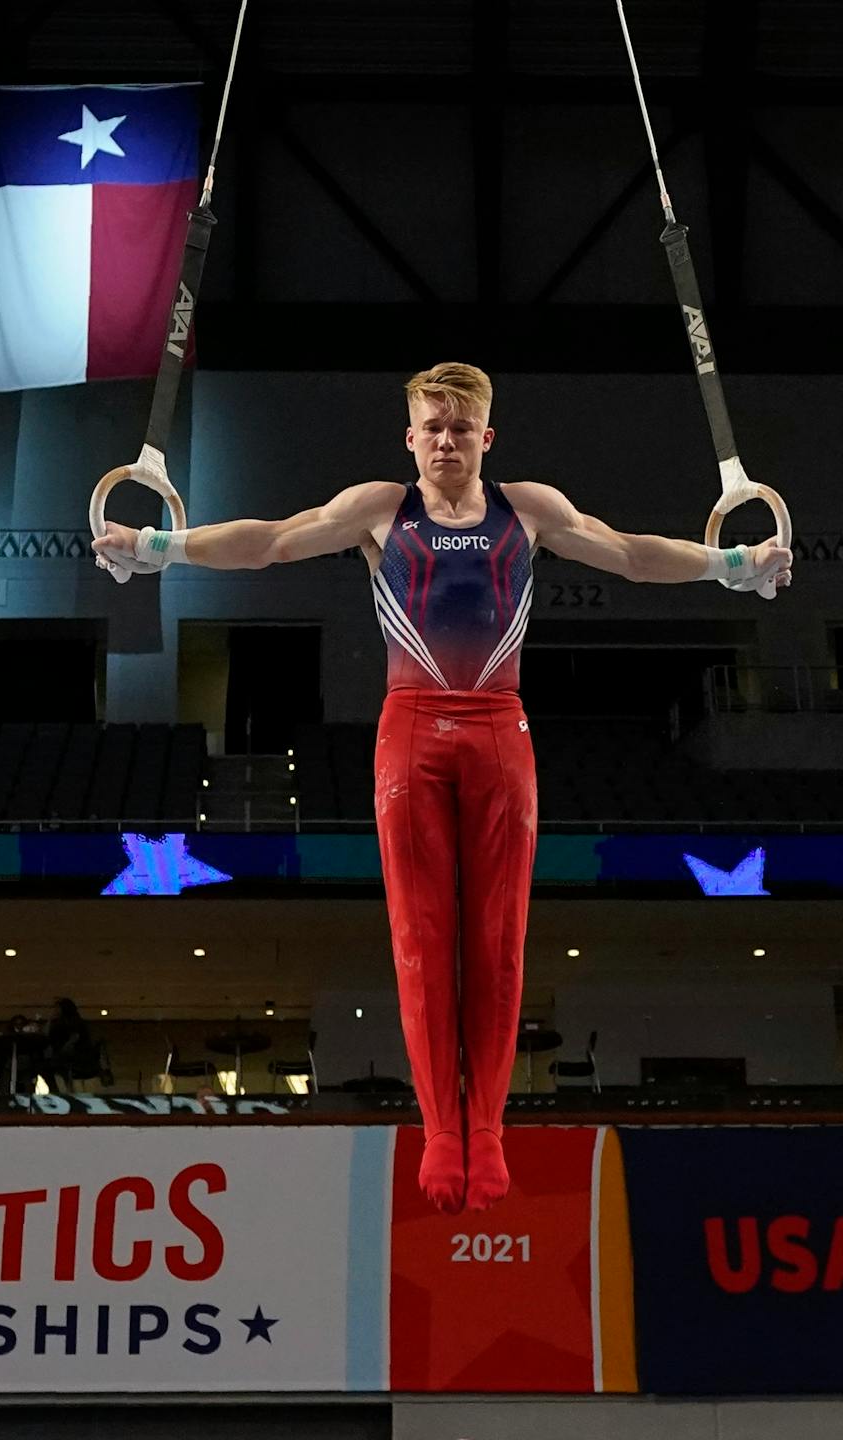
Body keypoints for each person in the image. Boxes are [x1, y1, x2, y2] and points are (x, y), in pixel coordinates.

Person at [93, 362, 791, 1213]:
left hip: (500, 728)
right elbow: (272, 540)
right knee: (422, 943)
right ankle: (441, 1130)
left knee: (496, 944)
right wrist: (159, 546)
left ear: (486, 438)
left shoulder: (528, 510)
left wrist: (733, 563)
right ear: (411, 436)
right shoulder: (381, 510)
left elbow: (633, 556)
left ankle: (487, 1130)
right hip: (411, 731)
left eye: (463, 428)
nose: (448, 441)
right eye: (434, 427)